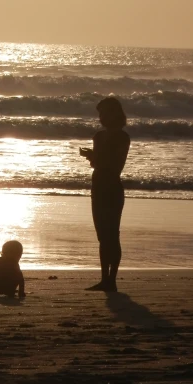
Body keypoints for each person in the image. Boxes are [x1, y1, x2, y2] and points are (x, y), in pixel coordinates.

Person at [80, 97, 130, 292]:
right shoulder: (98, 136)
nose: (100, 118)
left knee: (112, 234)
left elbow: (116, 165)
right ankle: (104, 279)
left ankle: (112, 279)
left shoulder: (122, 137)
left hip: (112, 186)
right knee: (102, 235)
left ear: (114, 114)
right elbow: (98, 163)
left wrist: (95, 158)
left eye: (103, 113)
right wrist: (92, 157)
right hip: (98, 186)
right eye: (99, 114)